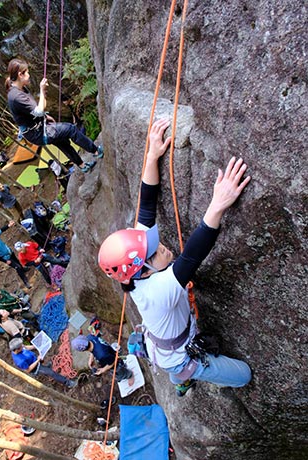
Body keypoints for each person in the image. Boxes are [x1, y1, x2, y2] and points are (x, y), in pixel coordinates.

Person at [98, 119, 252, 397]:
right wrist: (218, 203)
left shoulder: (138, 262)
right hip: (180, 355)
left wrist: (152, 156)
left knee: (170, 362)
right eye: (155, 252)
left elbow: (146, 208)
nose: (163, 248)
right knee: (243, 375)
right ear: (142, 271)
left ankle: (178, 380)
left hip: (163, 343)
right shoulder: (158, 290)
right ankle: (185, 378)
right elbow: (192, 256)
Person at [5, 58, 104, 174]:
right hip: (37, 133)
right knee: (71, 129)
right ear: (20, 75)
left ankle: (82, 165)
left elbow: (32, 112)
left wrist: (45, 117)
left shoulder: (20, 89)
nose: (29, 75)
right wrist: (42, 91)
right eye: (26, 72)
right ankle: (96, 151)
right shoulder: (16, 96)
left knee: (62, 141)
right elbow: (39, 110)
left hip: (38, 128)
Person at [9, 337, 77, 388]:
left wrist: (36, 347)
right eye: (21, 346)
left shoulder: (20, 348)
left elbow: (26, 347)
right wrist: (37, 361)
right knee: (51, 373)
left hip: (35, 359)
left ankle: (47, 367)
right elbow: (28, 370)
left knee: (46, 367)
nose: (22, 346)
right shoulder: (20, 361)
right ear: (17, 349)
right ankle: (68, 383)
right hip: (36, 368)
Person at [0, 221, 30, 289]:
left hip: (9, 252)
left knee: (17, 262)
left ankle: (23, 269)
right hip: (6, 258)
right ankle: (25, 281)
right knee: (17, 267)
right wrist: (5, 261)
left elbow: (1, 230)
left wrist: (9, 225)